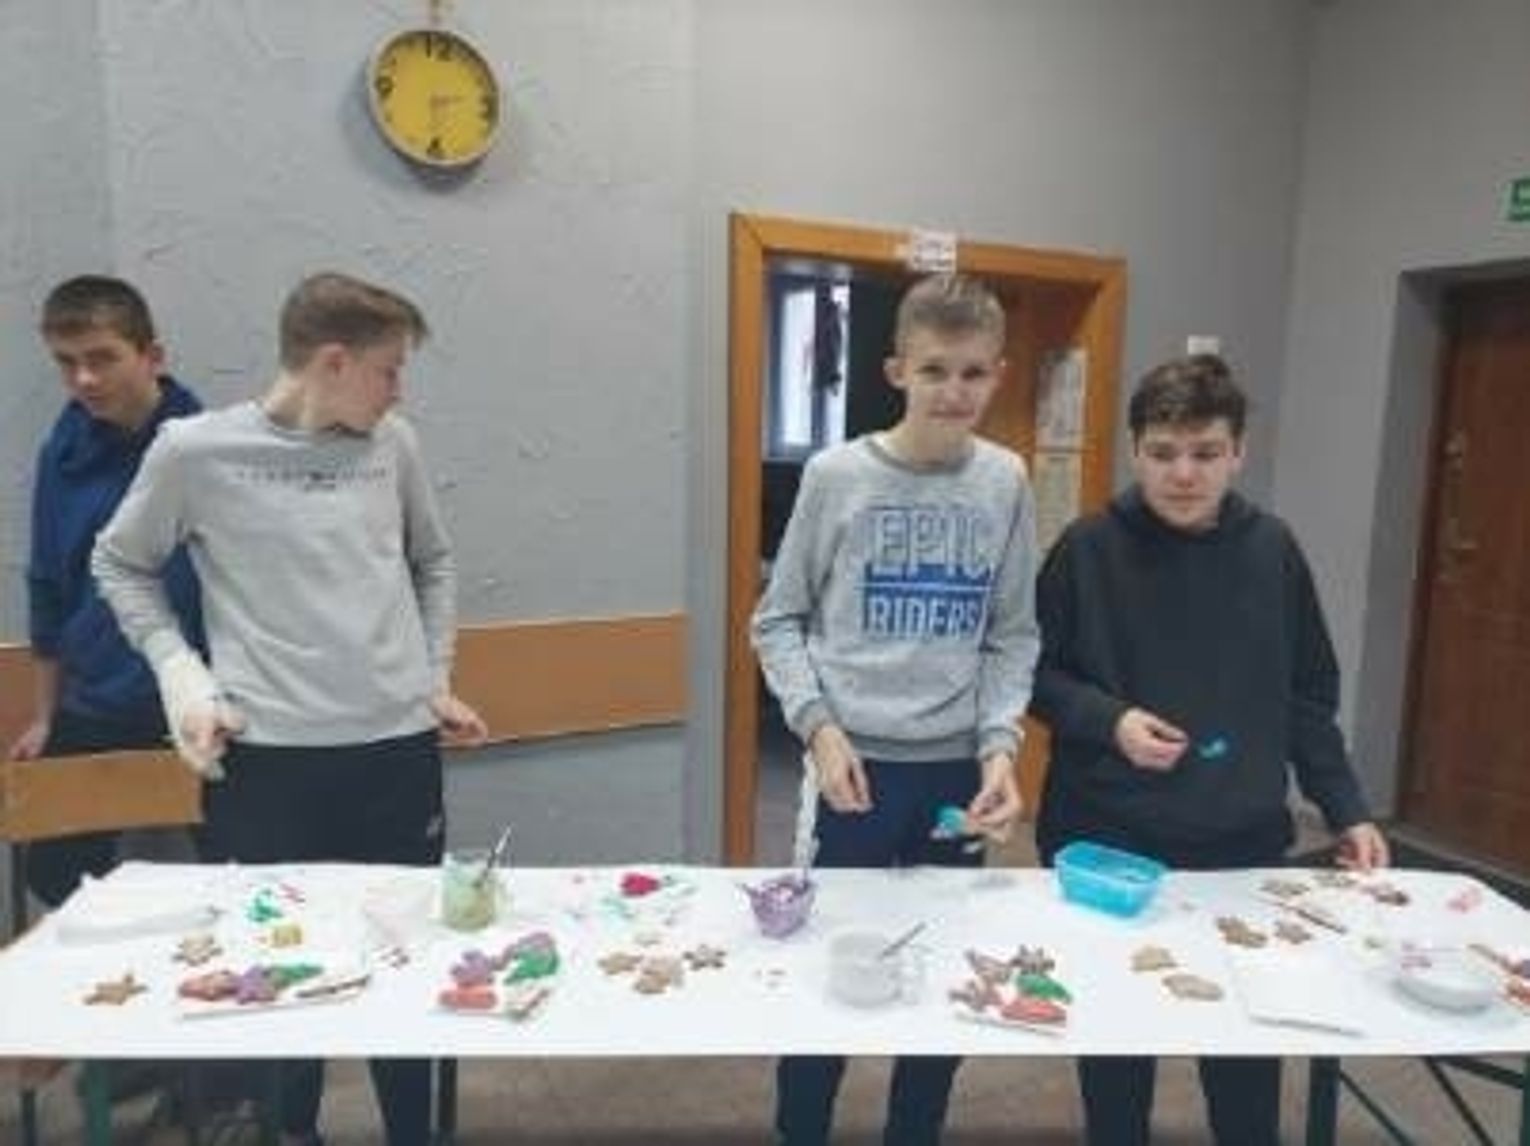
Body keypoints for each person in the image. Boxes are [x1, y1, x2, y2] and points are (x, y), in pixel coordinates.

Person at [93, 271, 488, 1146]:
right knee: (283, 971)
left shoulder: (394, 445)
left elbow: (433, 561)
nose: (398, 391)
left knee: (404, 964)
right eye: (390, 370)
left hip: (393, 754)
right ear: (333, 362)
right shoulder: (194, 452)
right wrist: (185, 680)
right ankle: (292, 1132)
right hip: (267, 765)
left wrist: (433, 677)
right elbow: (119, 563)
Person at [1029, 352, 1390, 1146]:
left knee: (1245, 1051)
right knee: (1118, 1042)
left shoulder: (1273, 550)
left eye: (1205, 452)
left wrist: (1346, 807)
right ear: (1135, 451)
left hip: (1239, 837)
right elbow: (1032, 676)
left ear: (1238, 453)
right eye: (1163, 453)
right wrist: (1109, 721)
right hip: (1110, 839)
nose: (1183, 473)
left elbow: (1307, 694)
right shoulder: (1086, 548)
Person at [751, 273, 1038, 1146]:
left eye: (974, 373)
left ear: (998, 375)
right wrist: (818, 728)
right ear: (897, 371)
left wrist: (1000, 747)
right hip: (855, 775)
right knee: (828, 972)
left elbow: (1012, 634)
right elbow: (776, 619)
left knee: (940, 968)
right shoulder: (837, 476)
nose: (955, 392)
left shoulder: (1006, 479)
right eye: (936, 370)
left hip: (954, 775)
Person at [9, 275, 203, 910]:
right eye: (67, 363)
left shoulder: (205, 446)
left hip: (201, 700)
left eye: (102, 358)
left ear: (152, 356)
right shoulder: (61, 454)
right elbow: (48, 583)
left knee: (246, 874)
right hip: (97, 701)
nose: (84, 379)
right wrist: (46, 716)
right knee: (53, 876)